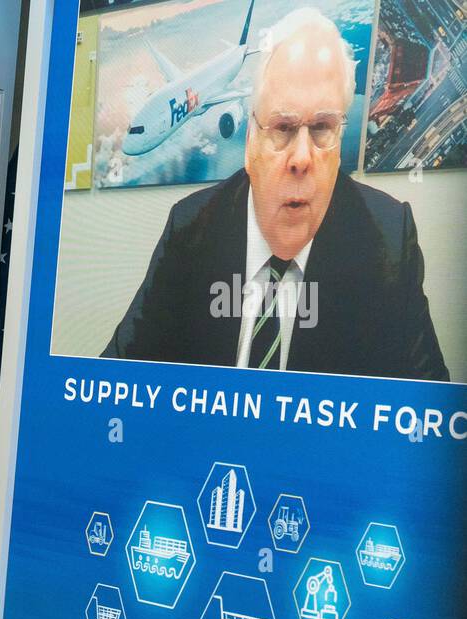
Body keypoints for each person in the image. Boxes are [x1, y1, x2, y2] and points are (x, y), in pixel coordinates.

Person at [101, 8, 448, 381]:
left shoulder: (389, 239)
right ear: (251, 142)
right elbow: (115, 379)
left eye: (322, 127)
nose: (301, 157)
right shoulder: (189, 227)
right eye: (282, 127)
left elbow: (424, 413)